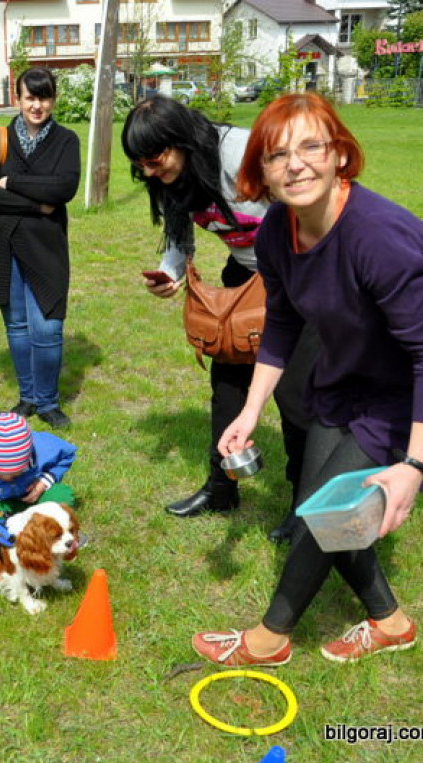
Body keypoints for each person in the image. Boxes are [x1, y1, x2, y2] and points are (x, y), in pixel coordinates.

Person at [192, 92, 419, 666]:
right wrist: (249, 413)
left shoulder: (379, 236)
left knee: (325, 509)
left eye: (311, 147)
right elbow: (283, 325)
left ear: (340, 155)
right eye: (276, 155)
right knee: (322, 511)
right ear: (260, 172)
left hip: (400, 393)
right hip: (340, 384)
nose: (295, 164)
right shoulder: (275, 234)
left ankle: (269, 639)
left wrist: (413, 466)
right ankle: (391, 622)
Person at [122, 96, 313, 537]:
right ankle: (221, 489)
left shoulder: (244, 153)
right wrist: (170, 274)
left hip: (297, 277)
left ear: (182, 140)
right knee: (227, 388)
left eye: (155, 160)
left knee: (296, 399)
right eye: (141, 166)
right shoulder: (175, 176)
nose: (150, 172)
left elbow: (307, 207)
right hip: (244, 278)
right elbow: (178, 235)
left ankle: (304, 508)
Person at [0, 66, 80, 429]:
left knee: (48, 326)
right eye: (30, 97)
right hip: (2, 245)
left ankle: (48, 402)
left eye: (44, 97)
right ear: (17, 98)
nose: (37, 105)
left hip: (46, 246)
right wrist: (36, 204)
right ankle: (29, 398)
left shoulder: (66, 141)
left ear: (53, 99)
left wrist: (12, 182)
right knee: (17, 325)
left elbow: (63, 190)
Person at [0, 411, 77, 519]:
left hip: (32, 497)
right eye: (0, 475)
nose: (8, 478)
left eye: (18, 473)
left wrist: (44, 482)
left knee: (62, 496)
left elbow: (67, 455)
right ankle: (1, 535)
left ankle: (53, 531)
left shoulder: (42, 447)